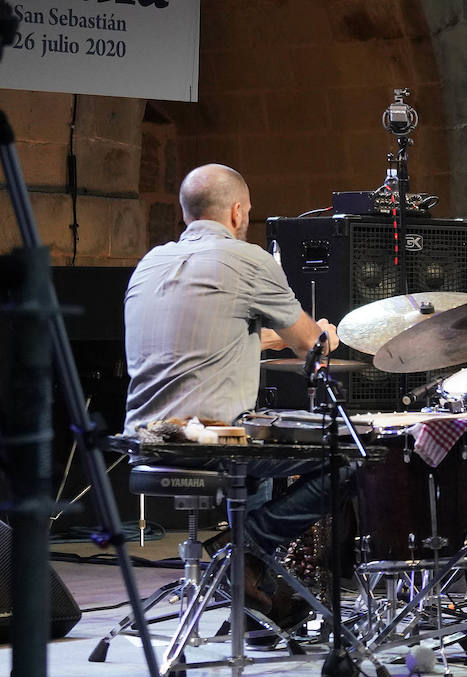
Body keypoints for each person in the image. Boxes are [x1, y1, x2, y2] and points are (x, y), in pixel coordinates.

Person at [123, 163, 345, 629]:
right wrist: (325, 333)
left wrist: (270, 339)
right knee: (348, 458)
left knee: (255, 439)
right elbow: (310, 344)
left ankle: (249, 597)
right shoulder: (248, 259)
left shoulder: (151, 262)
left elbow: (210, 341)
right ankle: (244, 548)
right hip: (208, 444)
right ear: (239, 211)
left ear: (186, 213)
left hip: (145, 442)